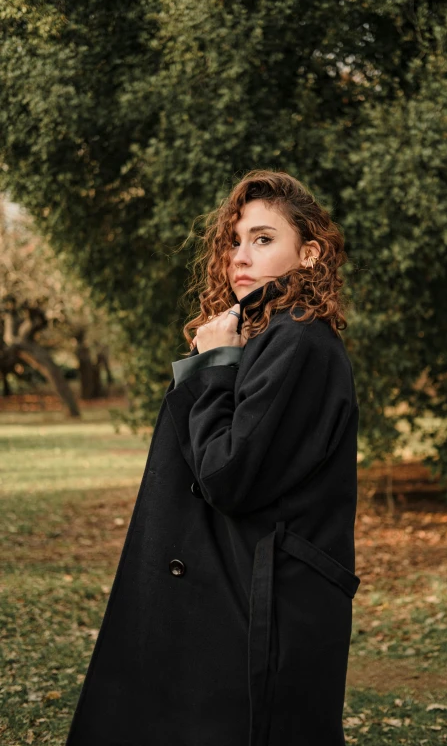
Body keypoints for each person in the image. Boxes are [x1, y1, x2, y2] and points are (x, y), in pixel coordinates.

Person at [65, 169, 360, 746]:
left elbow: (228, 473)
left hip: (265, 600)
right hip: (235, 584)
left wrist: (214, 366)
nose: (240, 255)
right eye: (233, 240)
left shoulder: (298, 341)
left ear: (310, 253)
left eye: (263, 238)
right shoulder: (268, 333)